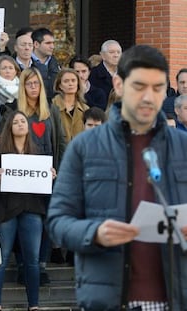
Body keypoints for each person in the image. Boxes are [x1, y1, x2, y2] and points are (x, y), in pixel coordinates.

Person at [48, 44, 187, 310]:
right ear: (119, 84)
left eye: (157, 88)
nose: (149, 97)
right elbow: (58, 221)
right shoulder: (85, 147)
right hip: (109, 300)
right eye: (139, 87)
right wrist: (95, 233)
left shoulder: (183, 146)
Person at [0, 110, 55, 311]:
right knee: (1, 258)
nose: (19, 124)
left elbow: (45, 184)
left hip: (32, 209)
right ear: (9, 127)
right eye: (15, 122)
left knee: (32, 260)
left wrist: (50, 175)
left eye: (23, 121)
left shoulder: (38, 153)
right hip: (5, 209)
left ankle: (34, 305)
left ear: (28, 126)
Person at [17, 66, 65, 283]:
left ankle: (41, 266)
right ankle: (22, 266)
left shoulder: (51, 110)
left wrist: (61, 171)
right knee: (22, 219)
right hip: (22, 176)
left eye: (36, 83)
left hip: (48, 176)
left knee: (45, 219)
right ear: (23, 86)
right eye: (29, 84)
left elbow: (61, 141)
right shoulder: (14, 111)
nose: (33, 87)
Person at [52, 68, 89, 143]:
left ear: (78, 84)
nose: (70, 84)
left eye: (73, 80)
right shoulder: (52, 106)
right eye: (66, 81)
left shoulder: (85, 109)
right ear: (60, 86)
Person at [31, 27, 61, 101]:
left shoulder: (56, 65)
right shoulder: (25, 64)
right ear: (36, 44)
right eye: (48, 43)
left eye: (53, 43)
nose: (52, 46)